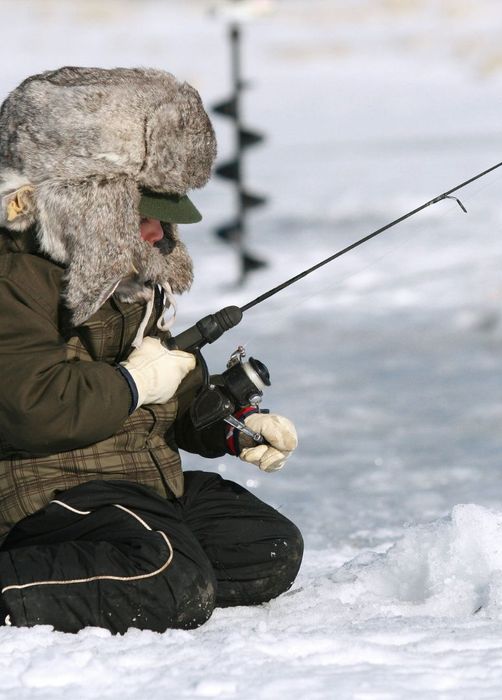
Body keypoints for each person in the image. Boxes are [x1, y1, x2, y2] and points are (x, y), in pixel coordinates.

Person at [0, 67, 303, 634]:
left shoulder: (133, 274)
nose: (158, 235)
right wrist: (133, 384)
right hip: (46, 487)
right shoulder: (17, 276)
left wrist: (231, 426)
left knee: (265, 548)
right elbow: (33, 410)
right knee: (170, 579)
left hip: (139, 479)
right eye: (143, 218)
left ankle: (127, 565)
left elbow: (176, 396)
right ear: (86, 209)